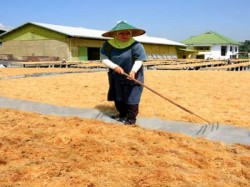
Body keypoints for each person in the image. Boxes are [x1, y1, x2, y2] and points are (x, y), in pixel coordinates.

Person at [100, 21, 147, 125]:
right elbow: (104, 58)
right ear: (115, 34)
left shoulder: (136, 45)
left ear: (131, 34)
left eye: (127, 33)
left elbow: (139, 59)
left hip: (133, 75)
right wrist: (115, 66)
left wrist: (133, 70)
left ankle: (131, 119)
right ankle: (122, 114)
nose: (125, 36)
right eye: (121, 33)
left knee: (132, 97)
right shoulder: (108, 45)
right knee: (118, 97)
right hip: (116, 76)